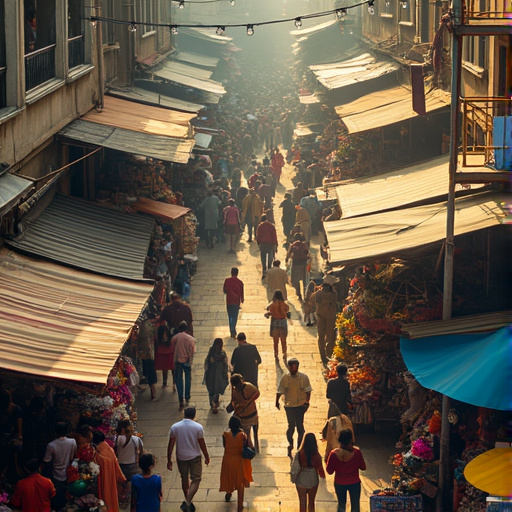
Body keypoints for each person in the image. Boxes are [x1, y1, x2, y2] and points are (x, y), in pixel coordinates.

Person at [167, 407, 210, 512]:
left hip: (181, 457)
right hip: (194, 456)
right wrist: (206, 456)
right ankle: (187, 501)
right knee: (196, 479)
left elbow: (171, 445)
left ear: (184, 414)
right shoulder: (198, 427)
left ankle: (188, 502)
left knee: (184, 478)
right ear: (194, 415)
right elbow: (202, 444)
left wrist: (169, 460)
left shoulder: (175, 427)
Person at [276, 358, 313, 458]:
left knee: (300, 427)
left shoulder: (303, 377)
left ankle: (299, 447)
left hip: (300, 405)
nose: (292, 368)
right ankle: (291, 443)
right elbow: (280, 390)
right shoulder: (285, 378)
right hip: (289, 406)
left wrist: (307, 402)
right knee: (291, 426)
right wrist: (277, 402)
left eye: (293, 366)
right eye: (290, 366)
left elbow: (308, 390)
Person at [326, 429, 366, 512]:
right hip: (354, 483)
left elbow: (329, 471)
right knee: (355, 506)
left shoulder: (333, 454)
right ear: (351, 440)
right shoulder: (357, 452)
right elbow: (363, 467)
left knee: (341, 505)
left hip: (339, 483)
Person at [219, 416, 253, 512]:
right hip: (239, 461)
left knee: (229, 477)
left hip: (228, 459)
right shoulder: (243, 435)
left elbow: (225, 446)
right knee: (240, 482)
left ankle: (228, 492)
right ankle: (240, 505)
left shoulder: (225, 434)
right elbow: (249, 446)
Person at [42, 422, 77, 512]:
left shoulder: (51, 445)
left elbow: (46, 461)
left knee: (56, 500)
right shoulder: (72, 442)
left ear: (55, 432)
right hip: (68, 474)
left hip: (55, 475)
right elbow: (73, 457)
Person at [93, 430, 126, 512]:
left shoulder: (98, 454)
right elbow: (117, 465)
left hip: (103, 480)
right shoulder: (110, 450)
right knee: (111, 498)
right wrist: (121, 478)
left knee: (104, 498)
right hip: (112, 480)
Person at [293, 433, 325, 512]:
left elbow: (294, 467)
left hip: (301, 480)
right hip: (313, 479)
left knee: (302, 502)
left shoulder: (299, 454)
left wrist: (293, 478)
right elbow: (321, 471)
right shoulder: (317, 455)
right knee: (311, 503)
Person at [228, 374, 260, 452]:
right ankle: (251, 449)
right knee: (247, 434)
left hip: (252, 413)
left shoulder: (248, 386)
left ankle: (256, 447)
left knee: (255, 432)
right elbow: (234, 401)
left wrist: (249, 401)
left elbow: (257, 393)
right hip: (243, 416)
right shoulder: (234, 390)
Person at [171, 321, 196, 411]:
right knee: (188, 378)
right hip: (187, 361)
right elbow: (192, 351)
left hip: (178, 360)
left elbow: (172, 348)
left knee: (179, 379)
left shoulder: (175, 337)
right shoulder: (191, 339)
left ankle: (180, 398)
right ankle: (187, 396)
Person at [313, 282, 338, 365]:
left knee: (330, 336)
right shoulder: (318, 294)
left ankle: (329, 353)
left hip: (330, 317)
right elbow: (316, 304)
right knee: (321, 337)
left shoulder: (333, 294)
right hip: (321, 317)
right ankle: (323, 355)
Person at [204, 338, 229, 414]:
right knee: (217, 389)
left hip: (210, 374)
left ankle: (212, 405)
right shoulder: (222, 354)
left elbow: (206, 362)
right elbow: (225, 365)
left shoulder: (211, 352)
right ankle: (215, 403)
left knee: (211, 389)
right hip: (219, 375)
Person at [137, 314, 158, 401]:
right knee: (150, 371)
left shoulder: (142, 325)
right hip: (149, 352)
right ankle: (153, 390)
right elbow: (154, 335)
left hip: (144, 353)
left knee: (148, 372)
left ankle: (152, 390)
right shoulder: (149, 325)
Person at [265, 289, 290, 361]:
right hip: (282, 321)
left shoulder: (272, 304)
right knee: (283, 339)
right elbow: (287, 310)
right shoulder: (285, 304)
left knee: (275, 340)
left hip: (275, 321)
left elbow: (269, 310)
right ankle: (284, 352)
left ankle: (276, 353)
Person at [286, 234, 310, 301]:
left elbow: (288, 254)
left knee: (296, 280)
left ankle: (298, 293)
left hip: (295, 264)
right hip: (303, 264)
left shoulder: (293, 245)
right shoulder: (304, 245)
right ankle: (305, 293)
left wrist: (287, 259)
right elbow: (307, 254)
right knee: (304, 279)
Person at [223, 267, 244, 339]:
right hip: (236, 301)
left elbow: (225, 290)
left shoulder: (227, 280)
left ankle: (232, 329)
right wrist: (242, 299)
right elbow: (242, 292)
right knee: (235, 316)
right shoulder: (240, 282)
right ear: (237, 273)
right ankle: (233, 329)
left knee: (230, 316)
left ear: (231, 273)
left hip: (229, 301)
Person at [154, 321, 175, 390]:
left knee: (172, 369)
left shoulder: (169, 339)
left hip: (169, 355)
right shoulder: (159, 340)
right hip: (165, 356)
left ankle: (174, 382)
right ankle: (165, 381)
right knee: (165, 369)